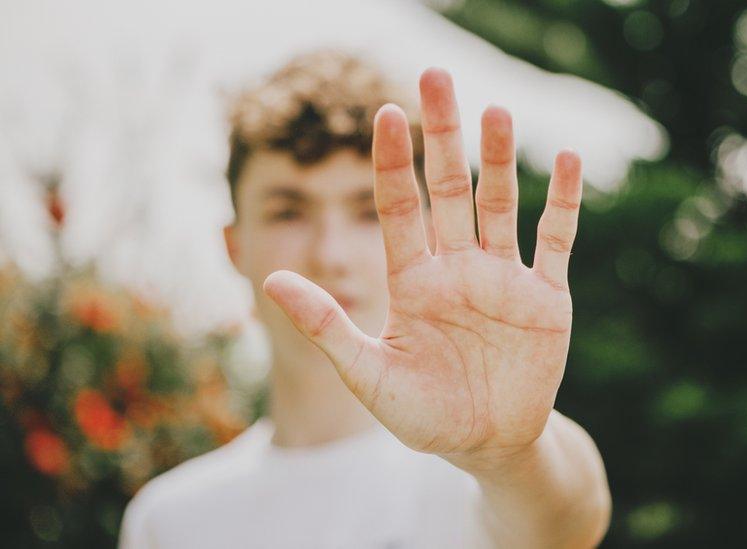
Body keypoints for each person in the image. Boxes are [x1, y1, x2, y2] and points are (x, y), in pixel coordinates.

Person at [119, 50, 611, 548]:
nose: (330, 255)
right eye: (288, 212)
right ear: (234, 246)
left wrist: (507, 457)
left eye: (369, 211)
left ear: (433, 233)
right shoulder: (169, 521)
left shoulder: (473, 481)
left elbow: (567, 521)